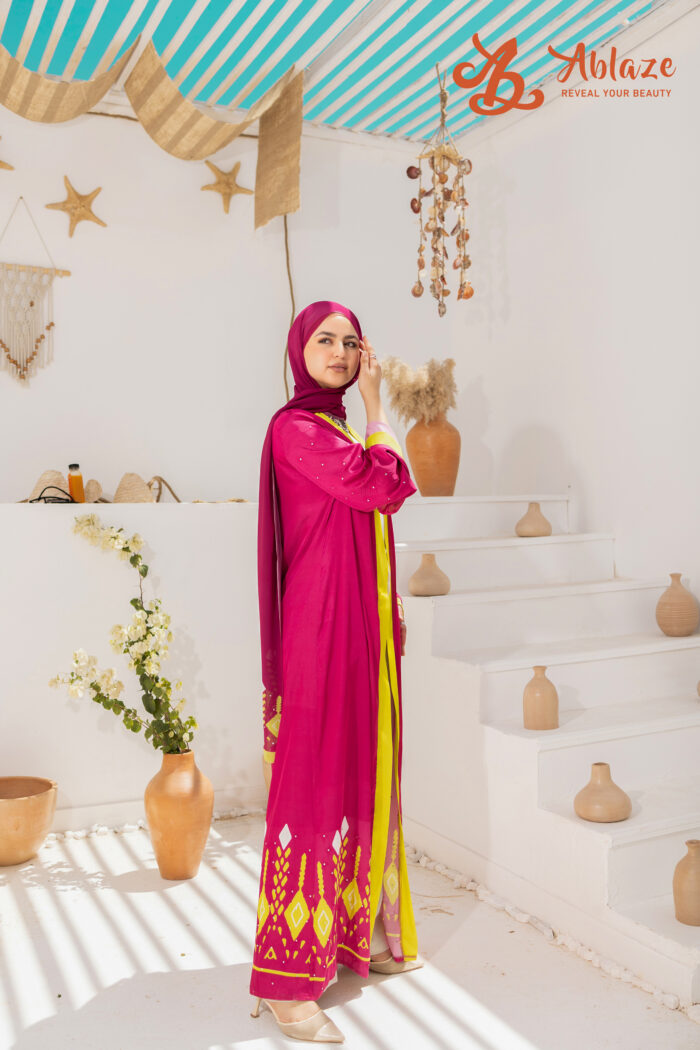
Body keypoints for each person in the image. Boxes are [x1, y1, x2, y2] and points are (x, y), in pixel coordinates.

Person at [250, 301, 424, 1043]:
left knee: (362, 768)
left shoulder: (340, 431)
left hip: (360, 626)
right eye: (325, 340)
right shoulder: (297, 430)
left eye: (351, 343)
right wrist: (381, 406)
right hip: (320, 630)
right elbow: (386, 485)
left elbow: (382, 494)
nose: (340, 352)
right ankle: (286, 984)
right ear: (299, 350)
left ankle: (355, 935)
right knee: (313, 784)